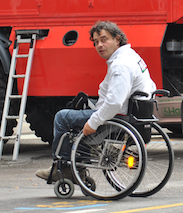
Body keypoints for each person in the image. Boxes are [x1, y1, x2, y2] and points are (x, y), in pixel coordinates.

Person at [36, 20, 156, 181]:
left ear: (117, 39)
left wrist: (93, 123)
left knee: (62, 117)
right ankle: (78, 163)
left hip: (117, 117)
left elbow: (114, 103)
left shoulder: (121, 65)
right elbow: (151, 86)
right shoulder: (132, 56)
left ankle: (64, 168)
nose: (99, 45)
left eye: (104, 39)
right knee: (80, 104)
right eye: (96, 42)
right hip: (130, 114)